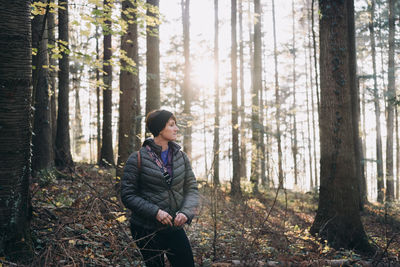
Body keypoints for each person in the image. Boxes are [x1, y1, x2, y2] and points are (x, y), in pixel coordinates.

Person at [121, 109, 199, 267]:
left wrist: (185, 212)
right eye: (171, 125)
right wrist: (155, 212)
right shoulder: (137, 158)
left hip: (173, 228)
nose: (176, 128)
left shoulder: (181, 157)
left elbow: (192, 189)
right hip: (145, 228)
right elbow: (128, 195)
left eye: (175, 124)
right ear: (159, 128)